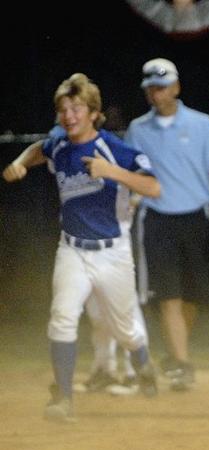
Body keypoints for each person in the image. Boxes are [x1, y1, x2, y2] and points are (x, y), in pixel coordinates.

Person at [2, 73, 161, 422]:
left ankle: (144, 363)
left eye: (76, 108)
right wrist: (19, 163)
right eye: (63, 109)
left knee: (126, 330)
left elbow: (153, 188)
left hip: (112, 253)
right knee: (62, 318)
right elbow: (38, 149)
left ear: (93, 113)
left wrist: (113, 172)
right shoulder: (59, 144)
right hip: (72, 249)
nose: (68, 116)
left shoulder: (112, 148)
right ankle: (62, 398)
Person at [125, 57, 209, 390]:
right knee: (168, 296)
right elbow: (133, 176)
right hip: (156, 219)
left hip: (196, 218)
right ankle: (182, 363)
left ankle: (175, 353)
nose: (156, 94)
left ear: (176, 87)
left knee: (193, 296)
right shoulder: (137, 129)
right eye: (150, 89)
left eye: (161, 87)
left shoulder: (202, 124)